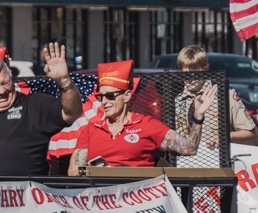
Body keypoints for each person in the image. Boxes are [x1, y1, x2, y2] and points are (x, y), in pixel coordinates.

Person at [0, 42, 82, 176]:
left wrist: (64, 81)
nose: (1, 91)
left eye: (6, 83)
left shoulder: (33, 105)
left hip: (27, 194)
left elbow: (71, 113)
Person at [68, 60, 215, 174]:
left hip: (138, 201)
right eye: (101, 97)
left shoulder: (147, 125)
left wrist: (198, 116)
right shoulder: (91, 128)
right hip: (100, 200)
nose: (105, 102)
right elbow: (74, 171)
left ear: (126, 96)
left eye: (110, 96)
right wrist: (95, 173)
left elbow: (189, 148)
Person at [174, 46, 258, 162]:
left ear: (205, 68)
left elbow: (251, 132)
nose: (189, 79)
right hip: (182, 165)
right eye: (185, 74)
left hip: (215, 164)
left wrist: (225, 137)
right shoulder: (177, 100)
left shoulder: (224, 96)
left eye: (194, 74)